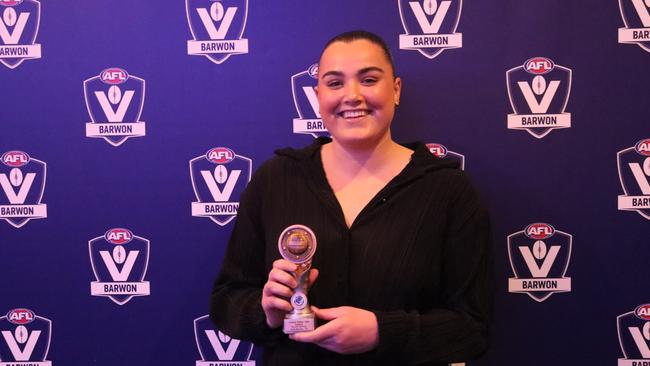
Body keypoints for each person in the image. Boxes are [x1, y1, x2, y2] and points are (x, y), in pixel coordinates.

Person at [210, 30, 492, 366]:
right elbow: (227, 301)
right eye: (334, 83)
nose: (352, 95)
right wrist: (267, 311)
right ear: (318, 96)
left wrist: (381, 332)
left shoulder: (449, 191)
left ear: (396, 90)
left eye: (369, 79)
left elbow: (472, 327)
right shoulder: (276, 179)